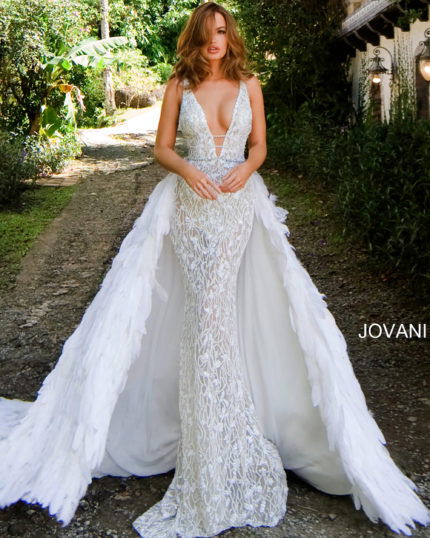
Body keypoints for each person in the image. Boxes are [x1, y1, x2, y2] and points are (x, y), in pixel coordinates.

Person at [0, 2, 429, 537]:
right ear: (195, 38)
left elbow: (260, 147)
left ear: (231, 35)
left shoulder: (250, 83)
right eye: (206, 33)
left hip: (237, 210)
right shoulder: (180, 84)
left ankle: (228, 433)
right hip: (191, 210)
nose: (215, 41)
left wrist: (245, 172)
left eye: (222, 32)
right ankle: (210, 443)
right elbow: (161, 148)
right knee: (205, 314)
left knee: (218, 313)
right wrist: (189, 171)